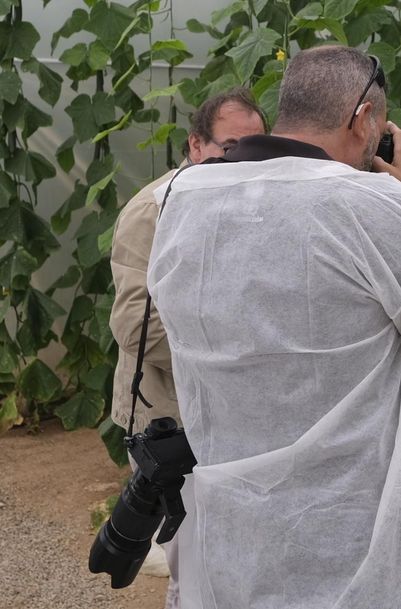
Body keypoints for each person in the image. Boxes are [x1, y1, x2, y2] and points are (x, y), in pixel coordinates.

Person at [145, 45, 401, 609]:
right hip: (354, 543)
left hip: (236, 536)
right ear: (364, 120)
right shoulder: (365, 204)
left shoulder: (183, 200)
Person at [107, 86, 267, 609]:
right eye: (230, 144)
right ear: (196, 146)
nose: (241, 157)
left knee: (237, 555)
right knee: (192, 562)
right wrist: (241, 337)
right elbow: (135, 326)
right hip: (171, 416)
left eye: (255, 144)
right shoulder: (153, 211)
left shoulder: (253, 200)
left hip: (233, 409)